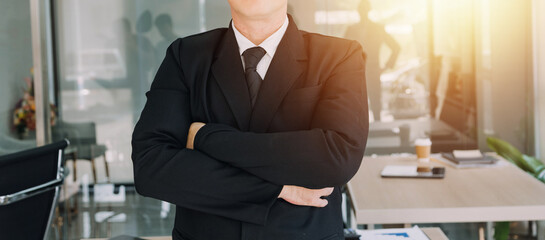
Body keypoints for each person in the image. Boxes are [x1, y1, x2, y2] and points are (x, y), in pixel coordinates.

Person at [131, 0, 368, 239]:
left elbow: (337, 158)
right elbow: (150, 166)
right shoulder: (186, 55)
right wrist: (275, 190)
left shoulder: (339, 56)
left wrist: (205, 138)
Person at [345, 0, 399, 122]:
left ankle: (377, 127)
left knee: (375, 105)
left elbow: (396, 47)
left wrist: (386, 66)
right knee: (356, 105)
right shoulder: (351, 29)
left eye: (364, 9)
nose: (362, 12)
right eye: (361, 9)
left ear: (368, 10)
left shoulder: (377, 29)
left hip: (372, 71)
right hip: (356, 72)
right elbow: (342, 51)